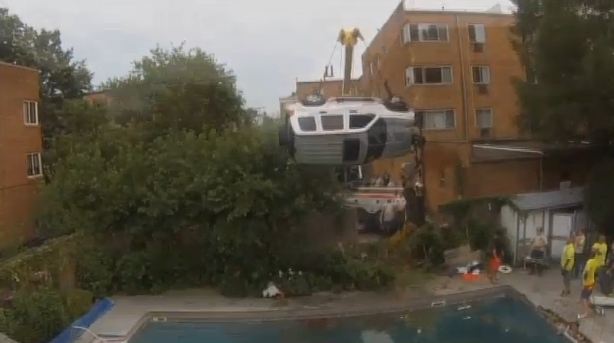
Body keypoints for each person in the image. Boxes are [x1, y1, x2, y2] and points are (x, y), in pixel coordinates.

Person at [578, 251, 599, 319]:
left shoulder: (589, 262)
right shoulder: (595, 261)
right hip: (592, 282)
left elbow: (586, 272)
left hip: (588, 283)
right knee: (587, 296)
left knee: (585, 298)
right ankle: (593, 307)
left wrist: (583, 281)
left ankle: (586, 313)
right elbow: (595, 272)